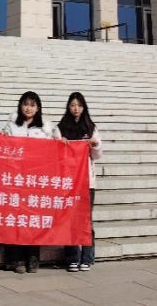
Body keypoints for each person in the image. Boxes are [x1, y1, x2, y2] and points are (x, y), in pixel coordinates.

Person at [0, 91, 53, 273]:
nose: (28, 108)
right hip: (15, 179)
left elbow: (52, 152)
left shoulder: (45, 129)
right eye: (25, 104)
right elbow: (2, 147)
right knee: (14, 219)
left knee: (32, 219)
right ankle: (15, 259)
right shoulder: (12, 126)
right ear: (20, 106)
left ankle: (32, 257)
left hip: (35, 181)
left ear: (38, 108)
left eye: (32, 105)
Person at [54, 92, 103, 272]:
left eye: (79, 105)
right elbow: (54, 155)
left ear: (84, 107)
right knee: (69, 220)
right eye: (73, 105)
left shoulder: (91, 127)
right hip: (68, 182)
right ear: (68, 107)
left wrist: (95, 145)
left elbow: (97, 155)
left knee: (86, 220)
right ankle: (72, 257)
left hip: (86, 182)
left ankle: (87, 257)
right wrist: (59, 144)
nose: (76, 109)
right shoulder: (60, 128)